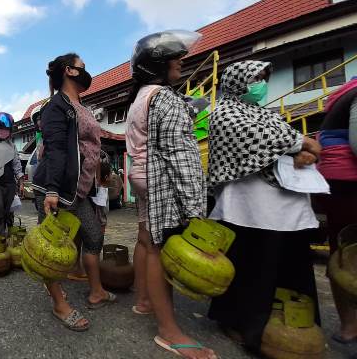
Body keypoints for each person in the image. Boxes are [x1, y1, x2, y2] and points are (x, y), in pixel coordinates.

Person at [207, 60, 321, 354]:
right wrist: (300, 143)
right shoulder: (224, 112)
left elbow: (290, 145)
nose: (261, 83)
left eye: (263, 77)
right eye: (255, 77)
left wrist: (301, 153)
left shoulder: (267, 115)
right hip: (250, 205)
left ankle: (289, 325)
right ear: (237, 81)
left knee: (288, 264)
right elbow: (260, 140)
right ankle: (242, 324)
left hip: (288, 201)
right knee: (252, 265)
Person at [125, 30, 217, 359]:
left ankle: (145, 301)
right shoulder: (163, 97)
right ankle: (169, 331)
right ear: (157, 64)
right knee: (161, 249)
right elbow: (181, 155)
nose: (182, 60)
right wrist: (196, 209)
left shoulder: (141, 97)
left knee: (148, 240)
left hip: (141, 174)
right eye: (175, 57)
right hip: (160, 176)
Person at [32, 53, 115, 332]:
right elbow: (55, 149)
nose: (86, 71)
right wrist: (53, 190)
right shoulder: (56, 107)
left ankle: (96, 292)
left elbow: (91, 141)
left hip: (78, 192)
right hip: (56, 190)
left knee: (94, 236)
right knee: (52, 248)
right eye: (82, 67)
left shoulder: (80, 106)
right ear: (69, 71)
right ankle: (59, 303)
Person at [316, 76, 357, 345]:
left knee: (342, 253)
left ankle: (348, 327)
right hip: (350, 184)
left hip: (335, 182)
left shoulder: (341, 95)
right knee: (348, 256)